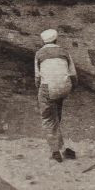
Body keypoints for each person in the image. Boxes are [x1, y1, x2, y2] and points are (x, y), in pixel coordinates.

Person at [34, 29, 77, 161]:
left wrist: (40, 91)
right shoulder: (65, 52)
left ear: (43, 41)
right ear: (56, 40)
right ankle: (62, 146)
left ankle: (55, 152)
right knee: (56, 114)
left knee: (48, 119)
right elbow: (73, 75)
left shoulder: (39, 54)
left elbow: (37, 78)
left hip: (49, 89)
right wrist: (70, 88)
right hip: (64, 87)